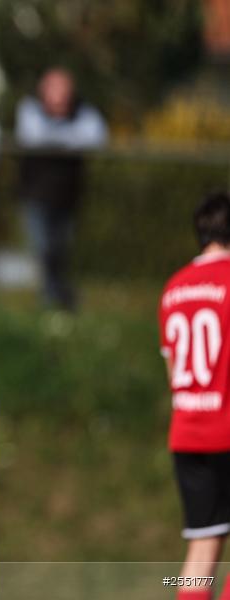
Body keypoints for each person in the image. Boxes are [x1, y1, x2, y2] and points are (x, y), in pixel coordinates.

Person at [159, 192, 230, 600]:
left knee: (201, 552)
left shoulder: (174, 288)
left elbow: (174, 372)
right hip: (226, 426)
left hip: (188, 433)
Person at [14, 67, 108, 310]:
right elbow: (32, 135)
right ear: (43, 90)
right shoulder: (30, 108)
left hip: (68, 196)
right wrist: (70, 137)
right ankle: (48, 300)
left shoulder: (83, 111)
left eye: (64, 89)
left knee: (61, 251)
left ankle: (59, 298)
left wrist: (55, 135)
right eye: (54, 88)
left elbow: (96, 136)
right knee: (43, 248)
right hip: (35, 194)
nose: (60, 95)